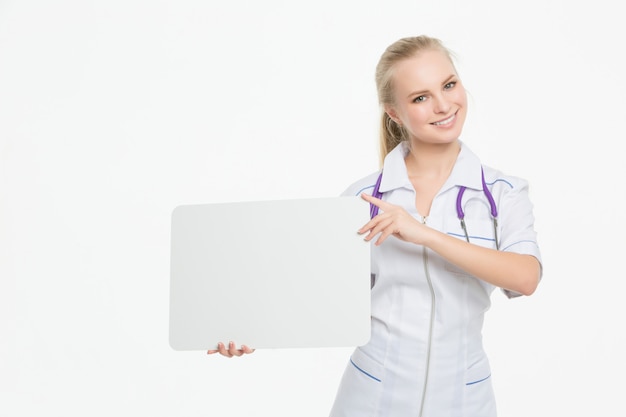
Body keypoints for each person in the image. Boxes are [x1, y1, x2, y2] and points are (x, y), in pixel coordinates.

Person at [209, 35, 542, 417]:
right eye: (420, 97)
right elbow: (312, 297)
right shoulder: (362, 199)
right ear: (394, 113)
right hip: (371, 399)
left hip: (464, 400)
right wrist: (248, 331)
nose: (443, 104)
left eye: (448, 85)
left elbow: (525, 277)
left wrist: (426, 234)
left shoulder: (503, 193)